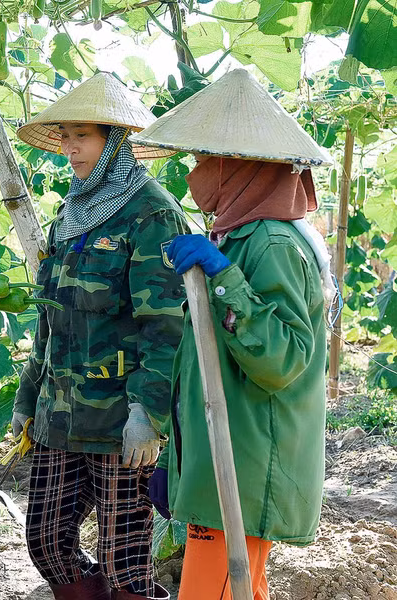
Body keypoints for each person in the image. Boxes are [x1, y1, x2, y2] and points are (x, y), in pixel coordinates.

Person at [131, 68, 333, 600]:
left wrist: (225, 279)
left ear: (236, 166)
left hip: (246, 469)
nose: (193, 175)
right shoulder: (240, 235)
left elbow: (283, 358)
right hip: (225, 465)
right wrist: (181, 462)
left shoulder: (273, 244)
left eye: (201, 161)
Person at [13, 72, 188, 600]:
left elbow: (166, 326)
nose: (68, 148)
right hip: (59, 413)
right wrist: (27, 397)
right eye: (64, 135)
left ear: (114, 141)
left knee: (124, 561)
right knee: (46, 541)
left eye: (80, 136)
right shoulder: (71, 212)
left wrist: (148, 414)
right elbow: (51, 318)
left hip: (119, 418)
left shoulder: (152, 213)